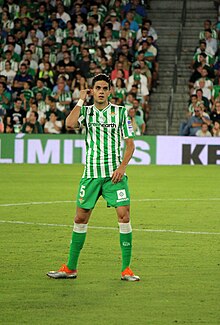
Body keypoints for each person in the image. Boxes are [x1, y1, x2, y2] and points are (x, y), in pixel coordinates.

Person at [47, 73, 140, 282]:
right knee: (80, 218)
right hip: (90, 175)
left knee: (124, 216)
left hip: (113, 177)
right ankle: (70, 268)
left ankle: (126, 269)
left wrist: (122, 168)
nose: (100, 91)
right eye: (97, 88)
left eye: (104, 88)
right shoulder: (86, 112)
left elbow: (130, 144)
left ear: (109, 91)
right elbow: (69, 124)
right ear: (92, 91)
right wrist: (80, 100)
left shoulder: (120, 112)